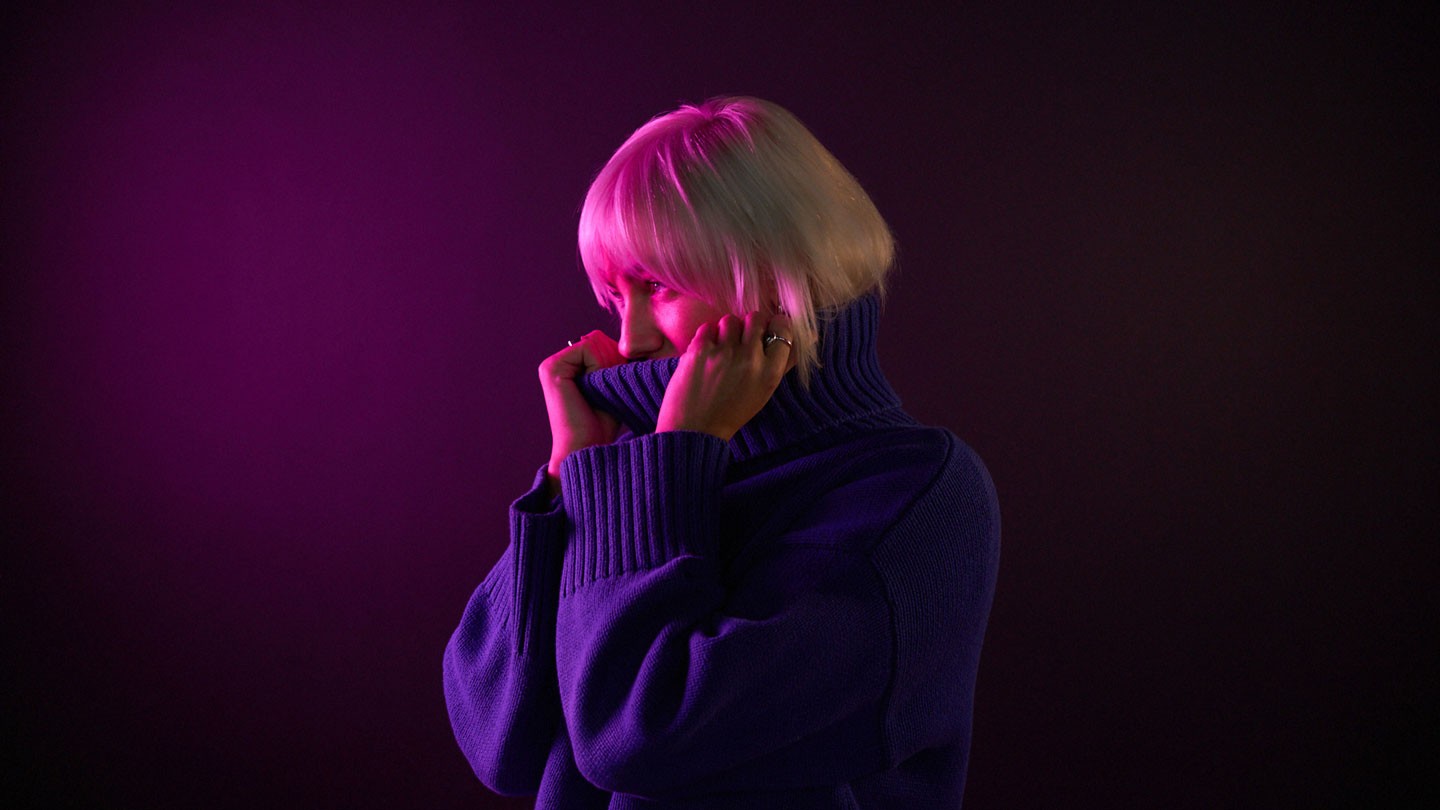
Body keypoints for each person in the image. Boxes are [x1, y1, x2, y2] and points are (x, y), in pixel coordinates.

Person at [443, 96, 1000, 809]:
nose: (633, 339)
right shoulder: (634, 468)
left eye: (658, 287)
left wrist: (677, 458)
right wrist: (566, 478)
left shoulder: (917, 496)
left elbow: (636, 736)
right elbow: (499, 741)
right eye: (615, 296)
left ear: (780, 279)